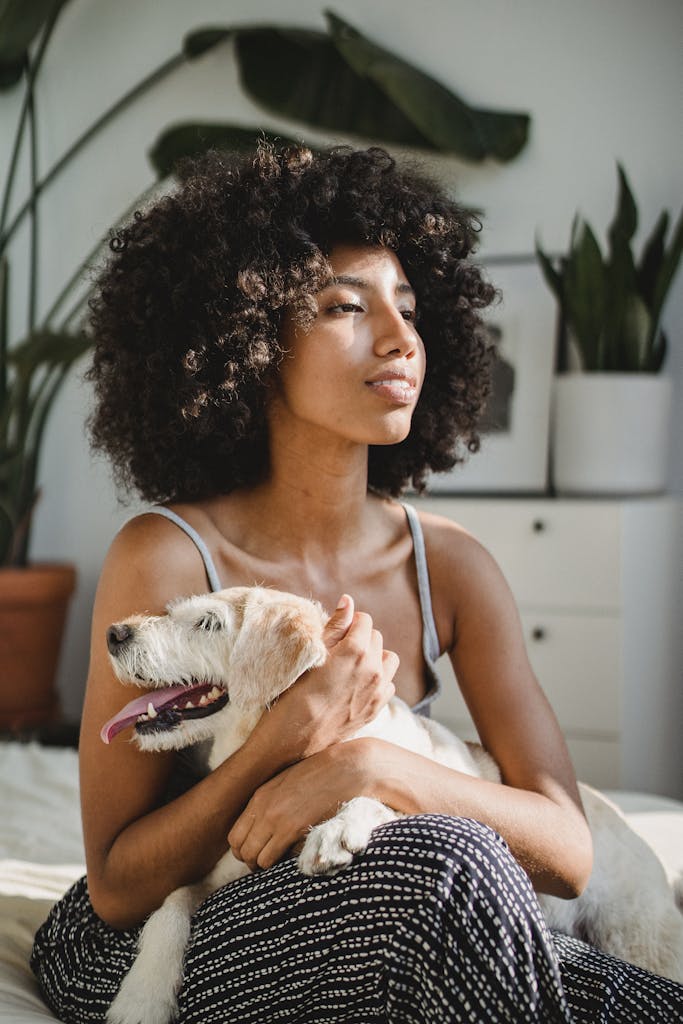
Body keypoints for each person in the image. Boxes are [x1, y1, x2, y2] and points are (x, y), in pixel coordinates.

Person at [32, 144, 682, 1023]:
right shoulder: (168, 555)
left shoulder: (448, 566)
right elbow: (116, 884)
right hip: (157, 933)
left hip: (375, 900)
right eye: (346, 306)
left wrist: (362, 765)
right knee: (449, 873)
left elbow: (568, 850)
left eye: (408, 309)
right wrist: (287, 741)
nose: (400, 338)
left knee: (466, 892)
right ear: (249, 340)